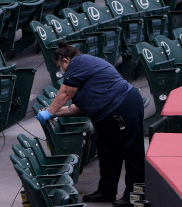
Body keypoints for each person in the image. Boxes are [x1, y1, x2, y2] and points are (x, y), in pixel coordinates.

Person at [36, 42, 145, 207]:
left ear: (65, 60)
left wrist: (50, 111)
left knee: (132, 154)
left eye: (61, 67)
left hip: (123, 108)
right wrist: (55, 113)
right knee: (107, 152)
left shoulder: (78, 63)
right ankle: (106, 192)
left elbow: (66, 93)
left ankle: (136, 198)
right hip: (110, 114)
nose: (62, 72)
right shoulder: (84, 69)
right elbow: (78, 108)